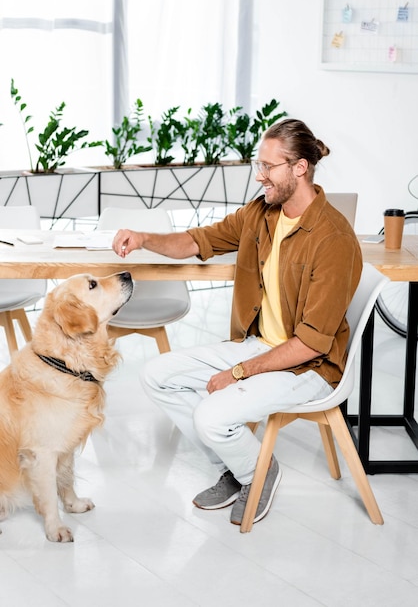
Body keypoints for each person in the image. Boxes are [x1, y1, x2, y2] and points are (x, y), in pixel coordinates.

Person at [112, 118, 362, 526]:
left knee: (211, 415)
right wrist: (144, 238)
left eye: (268, 166)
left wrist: (239, 371)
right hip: (261, 344)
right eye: (258, 165)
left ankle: (258, 475)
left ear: (300, 168)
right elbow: (197, 240)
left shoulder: (333, 239)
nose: (259, 175)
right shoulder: (262, 213)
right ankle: (246, 468)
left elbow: (313, 343)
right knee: (157, 374)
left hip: (309, 365)